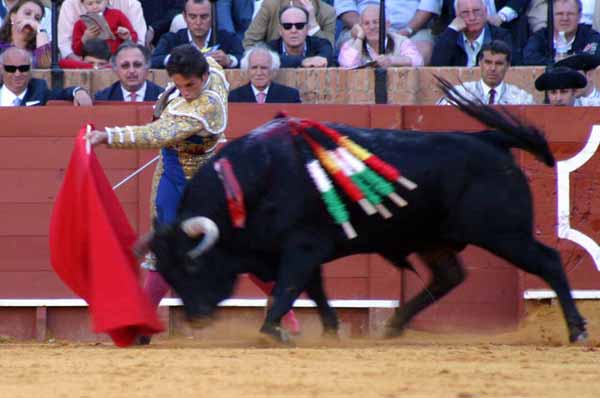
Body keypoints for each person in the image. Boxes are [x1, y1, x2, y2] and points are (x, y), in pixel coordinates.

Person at [335, 0, 441, 65]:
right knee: (349, 51)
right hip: (360, 25)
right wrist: (364, 28)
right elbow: (344, 5)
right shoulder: (365, 27)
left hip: (412, 28)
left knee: (422, 51)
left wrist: (408, 30)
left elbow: (429, 4)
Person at [150, 0, 244, 69]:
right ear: (184, 17)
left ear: (213, 16)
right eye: (192, 17)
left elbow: (244, 59)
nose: (198, 22)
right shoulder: (171, 39)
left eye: (204, 17)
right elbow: (153, 61)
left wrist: (229, 60)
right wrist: (176, 58)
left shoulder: (228, 38)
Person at [438, 39, 534, 104]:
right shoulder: (460, 93)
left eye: (499, 63)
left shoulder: (521, 99)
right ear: (480, 62)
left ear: (508, 65)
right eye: (488, 62)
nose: (492, 68)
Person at [0, 47, 93, 106]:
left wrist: (78, 91)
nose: (17, 74)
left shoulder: (38, 89)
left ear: (30, 69)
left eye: (23, 68)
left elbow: (63, 93)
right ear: (1, 69)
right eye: (11, 69)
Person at [431, 0, 513, 66]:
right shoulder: (449, 36)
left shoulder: (502, 36)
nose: (472, 17)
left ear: (485, 12)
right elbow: (437, 65)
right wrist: (452, 30)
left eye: (476, 11)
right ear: (457, 15)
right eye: (465, 12)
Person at [58, 0, 146, 61]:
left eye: (98, 2)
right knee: (64, 63)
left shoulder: (128, 6)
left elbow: (138, 42)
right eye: (90, 3)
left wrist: (127, 37)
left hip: (119, 60)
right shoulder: (71, 7)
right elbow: (66, 45)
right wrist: (85, 39)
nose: (95, 6)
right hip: (85, 61)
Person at [523, 0, 600, 65]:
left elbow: (594, 56)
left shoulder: (590, 35)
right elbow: (529, 58)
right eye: (559, 14)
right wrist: (575, 58)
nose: (565, 18)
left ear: (579, 16)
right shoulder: (541, 36)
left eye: (570, 14)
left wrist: (561, 61)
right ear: (551, 16)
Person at [243, 0, 336, 48]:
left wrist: (313, 25)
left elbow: (329, 49)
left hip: (313, 66)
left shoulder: (327, 12)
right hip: (275, 67)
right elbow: (250, 42)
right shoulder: (270, 5)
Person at [267, 5, 334, 68]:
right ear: (280, 30)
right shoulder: (269, 48)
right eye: (287, 26)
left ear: (307, 28)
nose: (293, 30)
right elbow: (267, 60)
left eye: (300, 26)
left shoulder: (322, 45)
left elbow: (324, 60)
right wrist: (302, 61)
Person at [229, 45, 301, 103]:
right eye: (254, 68)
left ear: (273, 70)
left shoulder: (290, 96)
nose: (259, 73)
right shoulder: (234, 98)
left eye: (264, 68)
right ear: (247, 70)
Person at [95, 41, 164, 101]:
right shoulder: (103, 98)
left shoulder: (163, 97)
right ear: (115, 69)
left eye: (137, 65)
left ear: (147, 67)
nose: (131, 71)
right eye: (125, 66)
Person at [0, 0, 50, 68]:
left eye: (37, 18)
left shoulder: (36, 51)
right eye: (27, 13)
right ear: (13, 16)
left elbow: (46, 65)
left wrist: (40, 29)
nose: (32, 19)